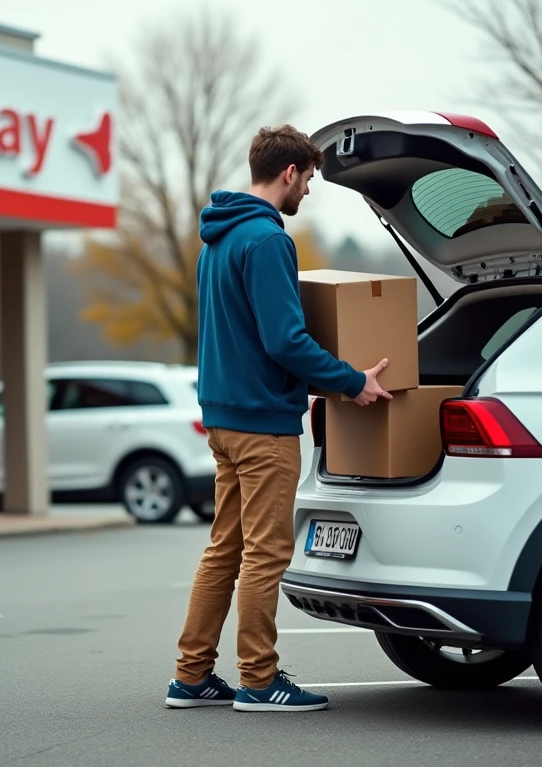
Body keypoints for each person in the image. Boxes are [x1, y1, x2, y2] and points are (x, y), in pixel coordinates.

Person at [164, 124, 391, 713]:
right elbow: (285, 341)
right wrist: (351, 382)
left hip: (222, 418)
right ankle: (259, 682)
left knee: (224, 549)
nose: (309, 192)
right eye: (310, 179)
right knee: (265, 554)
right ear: (289, 173)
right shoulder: (266, 241)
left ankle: (191, 676)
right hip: (263, 425)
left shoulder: (216, 239)